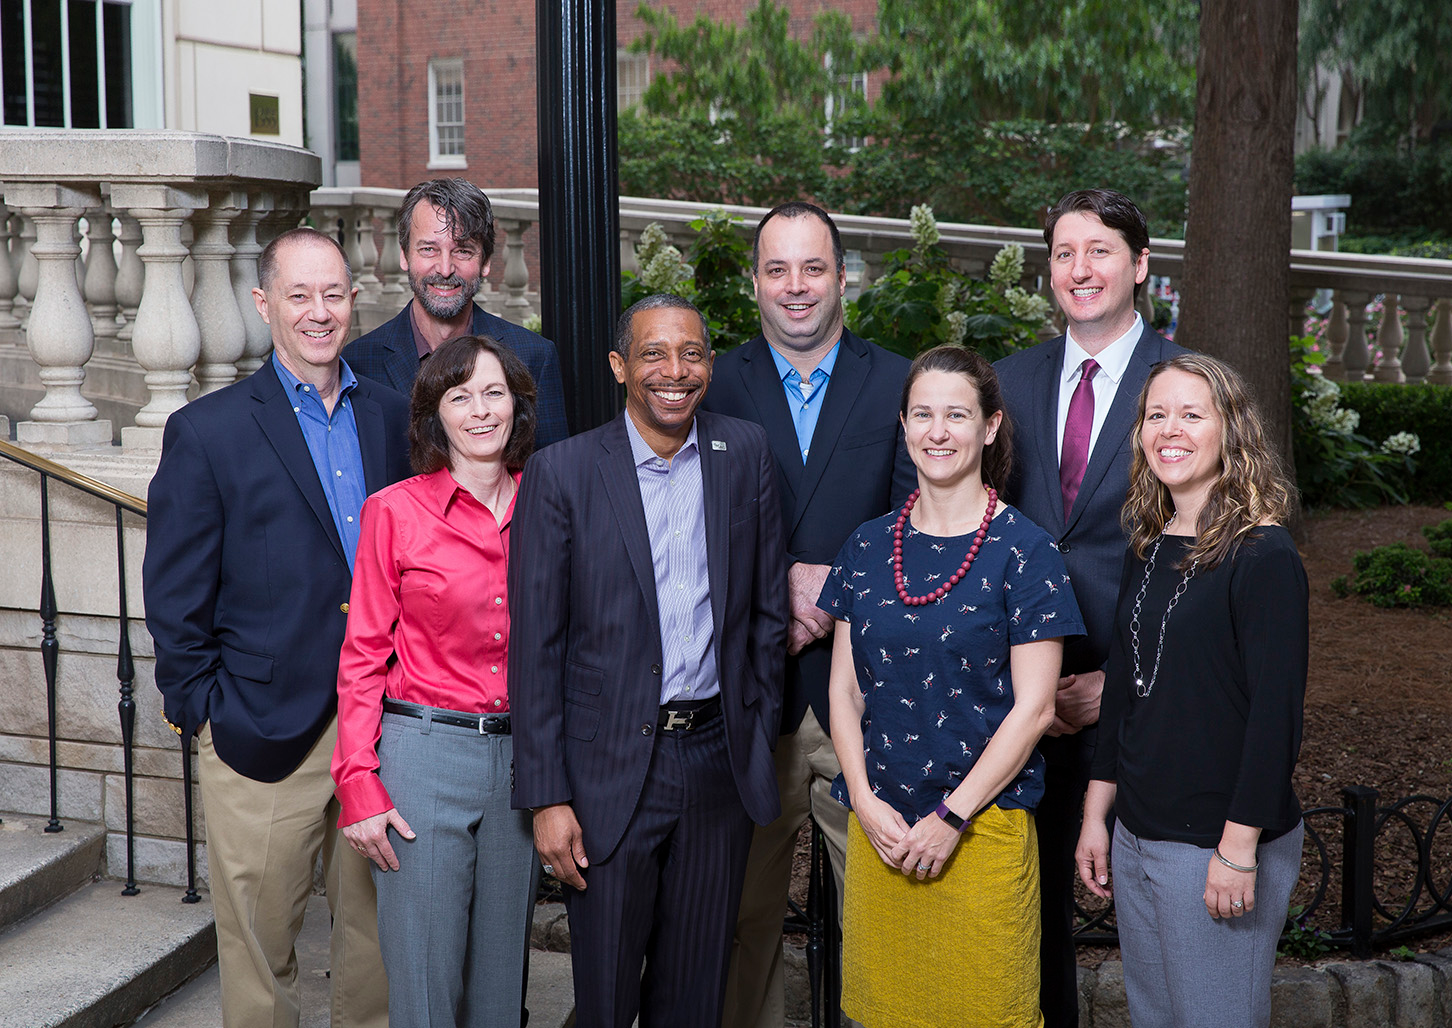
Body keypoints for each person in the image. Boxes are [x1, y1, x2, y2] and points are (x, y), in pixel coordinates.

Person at [143, 227, 410, 1028]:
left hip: (387, 725)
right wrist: (203, 709)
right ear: (264, 305)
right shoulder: (209, 430)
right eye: (299, 295)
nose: (319, 311)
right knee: (261, 955)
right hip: (260, 732)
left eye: (333, 293)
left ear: (354, 300)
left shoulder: (396, 419)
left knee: (379, 944)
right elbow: (175, 594)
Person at [509, 294, 788, 1028]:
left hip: (715, 764)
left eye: (691, 353)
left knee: (695, 994)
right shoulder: (562, 472)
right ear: (619, 367)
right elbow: (536, 647)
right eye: (654, 354)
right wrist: (547, 796)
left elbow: (765, 615)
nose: (674, 370)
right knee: (604, 997)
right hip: (606, 773)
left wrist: (751, 735)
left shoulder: (744, 453)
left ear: (710, 365)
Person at [819, 345, 1084, 1028]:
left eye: (957, 415)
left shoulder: (1028, 552)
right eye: (923, 414)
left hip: (982, 835)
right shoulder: (867, 547)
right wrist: (867, 803)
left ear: (991, 426)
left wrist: (951, 819)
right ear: (904, 426)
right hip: (883, 835)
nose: (938, 431)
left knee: (988, 1010)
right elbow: (844, 694)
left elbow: (1034, 710)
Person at [702, 201, 914, 1028]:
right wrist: (774, 583)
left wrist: (835, 594)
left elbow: (920, 521)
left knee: (883, 917)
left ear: (842, 277)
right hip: (745, 701)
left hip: (861, 698)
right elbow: (684, 526)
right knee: (737, 925)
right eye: (778, 269)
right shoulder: (710, 381)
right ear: (755, 280)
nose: (796, 288)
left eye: (814, 268)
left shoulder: (898, 383)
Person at [994, 187, 1186, 1026]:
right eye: (1065, 253)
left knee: (1153, 915)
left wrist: (1122, 679)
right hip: (1016, 703)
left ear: (1140, 265)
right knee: (1024, 921)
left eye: (1101, 250)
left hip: (1138, 698)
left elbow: (1213, 558)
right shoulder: (1009, 381)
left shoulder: (1185, 385)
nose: (1081, 269)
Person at [1076, 353, 1307, 1028]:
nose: (1168, 430)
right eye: (1156, 415)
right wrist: (1098, 814)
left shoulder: (1264, 556)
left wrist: (1237, 850)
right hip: (1138, 831)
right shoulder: (1149, 543)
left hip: (1217, 841)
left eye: (1191, 414)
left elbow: (1275, 720)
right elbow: (1123, 685)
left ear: (1230, 430)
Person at [332, 335, 538, 1028]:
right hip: (423, 757)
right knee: (424, 985)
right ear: (434, 417)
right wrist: (358, 781)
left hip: (522, 765)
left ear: (517, 405)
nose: (480, 412)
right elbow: (363, 655)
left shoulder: (553, 503)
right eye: (459, 397)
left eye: (493, 393)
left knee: (500, 989)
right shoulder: (395, 512)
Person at [343, 177, 569, 447]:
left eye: (463, 251)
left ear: (485, 261)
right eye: (429, 249)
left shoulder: (533, 357)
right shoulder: (357, 364)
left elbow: (552, 481)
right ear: (404, 255)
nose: (445, 268)